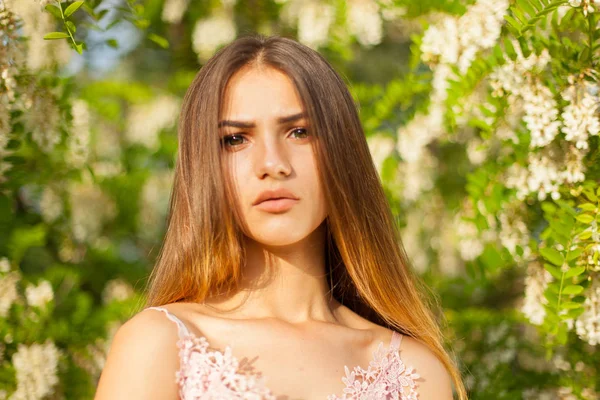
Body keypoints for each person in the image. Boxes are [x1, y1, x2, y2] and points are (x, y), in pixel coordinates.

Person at [94, 34, 467, 400]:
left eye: (300, 132)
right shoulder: (161, 343)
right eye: (236, 139)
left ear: (342, 151)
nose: (273, 165)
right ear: (205, 165)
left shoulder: (412, 373)